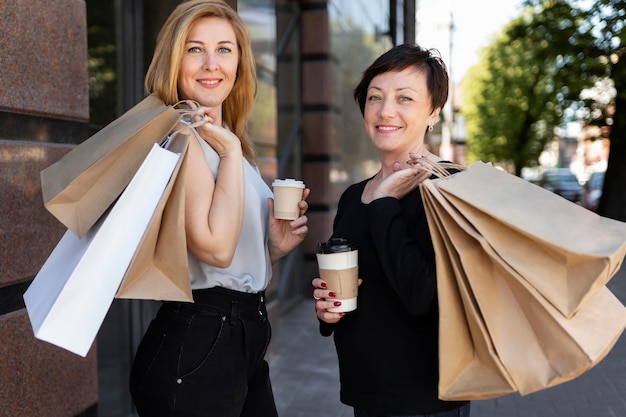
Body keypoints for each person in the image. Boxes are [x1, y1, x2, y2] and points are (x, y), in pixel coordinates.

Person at [129, 1, 309, 416]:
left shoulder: (229, 141)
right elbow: (213, 249)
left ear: (241, 62)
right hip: (199, 344)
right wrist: (228, 152)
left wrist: (272, 249)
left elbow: (229, 260)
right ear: (174, 61)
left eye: (224, 49)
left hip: (236, 340)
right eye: (195, 49)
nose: (212, 64)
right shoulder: (183, 133)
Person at [312, 44, 470, 417]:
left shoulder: (451, 190)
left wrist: (386, 204)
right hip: (366, 395)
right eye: (375, 97)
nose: (386, 111)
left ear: (433, 112)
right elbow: (361, 291)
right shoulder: (353, 197)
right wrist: (327, 311)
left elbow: (422, 296)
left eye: (405, 99)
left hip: (426, 401)